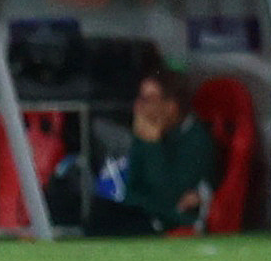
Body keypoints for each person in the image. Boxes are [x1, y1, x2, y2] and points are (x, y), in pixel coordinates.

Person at [88, 69, 219, 236]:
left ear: (171, 107)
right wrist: (144, 142)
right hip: (145, 212)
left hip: (172, 220)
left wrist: (152, 145)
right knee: (101, 211)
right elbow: (132, 188)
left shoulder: (196, 141)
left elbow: (169, 197)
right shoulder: (152, 134)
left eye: (147, 100)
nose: (138, 107)